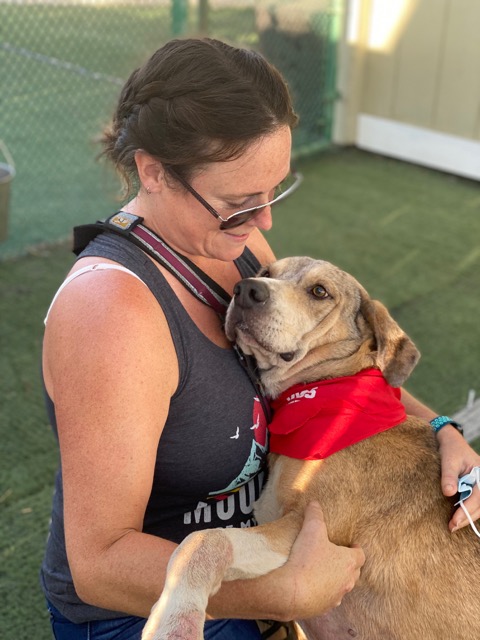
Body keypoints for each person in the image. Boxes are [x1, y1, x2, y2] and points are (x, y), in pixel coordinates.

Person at [40, 38, 480, 640]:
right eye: (239, 202)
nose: (265, 220)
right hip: (148, 609)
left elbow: (336, 365)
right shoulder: (110, 311)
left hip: (259, 557)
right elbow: (98, 566)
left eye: (274, 190)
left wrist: (442, 429)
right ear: (154, 171)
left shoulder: (241, 251)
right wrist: (283, 594)